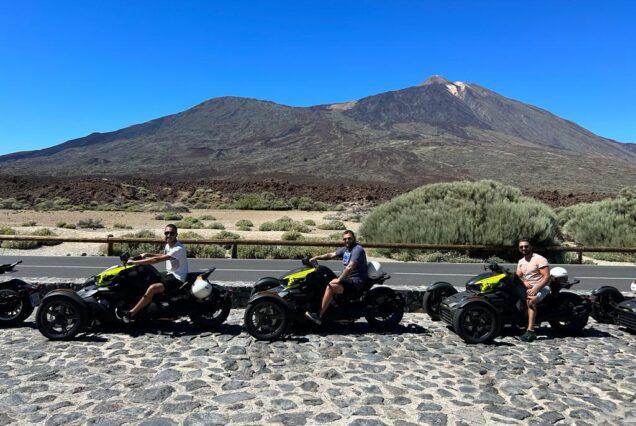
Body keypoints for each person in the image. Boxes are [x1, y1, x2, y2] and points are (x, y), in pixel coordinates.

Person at [115, 223, 189, 323]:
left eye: (172, 233)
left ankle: (131, 314)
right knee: (147, 276)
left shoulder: (178, 248)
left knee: (152, 288)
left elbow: (156, 260)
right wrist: (146, 254)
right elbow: (163, 255)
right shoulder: (169, 245)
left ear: (176, 234)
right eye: (166, 233)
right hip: (169, 274)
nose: (169, 235)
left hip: (177, 278)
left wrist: (136, 262)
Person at [304, 229, 368, 325]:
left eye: (349, 238)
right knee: (324, 280)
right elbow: (331, 255)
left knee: (331, 286)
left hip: (356, 282)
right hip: (348, 279)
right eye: (345, 239)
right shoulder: (346, 249)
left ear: (354, 238)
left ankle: (319, 316)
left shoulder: (357, 249)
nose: (347, 240)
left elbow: (350, 266)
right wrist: (317, 257)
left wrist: (339, 279)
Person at [516, 238, 550, 342]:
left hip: (542, 287)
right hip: (528, 287)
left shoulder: (539, 259)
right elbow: (518, 276)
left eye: (526, 246)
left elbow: (546, 277)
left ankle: (531, 331)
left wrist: (536, 288)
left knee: (530, 301)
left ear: (531, 247)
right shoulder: (521, 262)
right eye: (521, 247)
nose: (524, 248)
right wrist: (524, 282)